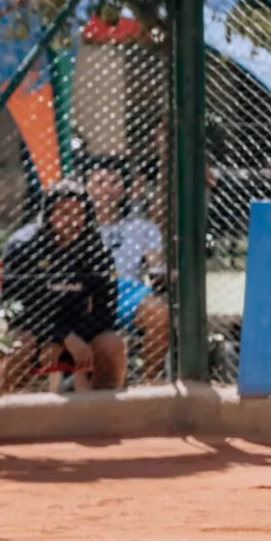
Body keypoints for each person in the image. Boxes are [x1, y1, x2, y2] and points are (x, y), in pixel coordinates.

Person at [0, 179, 127, 394]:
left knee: (112, 344)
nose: (73, 221)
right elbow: (14, 307)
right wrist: (58, 336)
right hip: (31, 330)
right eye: (64, 213)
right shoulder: (23, 246)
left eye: (79, 214)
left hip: (80, 333)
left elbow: (106, 312)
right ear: (48, 214)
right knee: (22, 344)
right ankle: (9, 412)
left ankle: (103, 414)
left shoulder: (97, 250)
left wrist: (71, 338)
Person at [82, 154, 169, 381]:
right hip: (88, 289)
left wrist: (159, 268)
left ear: (124, 189)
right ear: (86, 187)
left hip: (128, 290)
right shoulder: (75, 227)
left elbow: (156, 270)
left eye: (114, 183)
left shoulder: (142, 228)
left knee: (159, 312)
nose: (106, 190)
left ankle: (149, 383)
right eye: (99, 182)